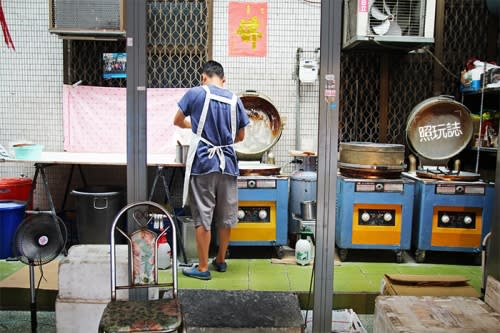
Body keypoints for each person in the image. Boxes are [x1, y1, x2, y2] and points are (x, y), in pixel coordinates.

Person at [173, 60, 250, 280]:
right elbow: (241, 137)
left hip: (204, 163)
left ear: (203, 77)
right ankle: (221, 260)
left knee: (203, 216)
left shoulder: (195, 93)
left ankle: (203, 268)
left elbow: (177, 120)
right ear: (223, 80)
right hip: (228, 164)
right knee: (226, 215)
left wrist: (194, 126)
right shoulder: (235, 100)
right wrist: (223, 140)